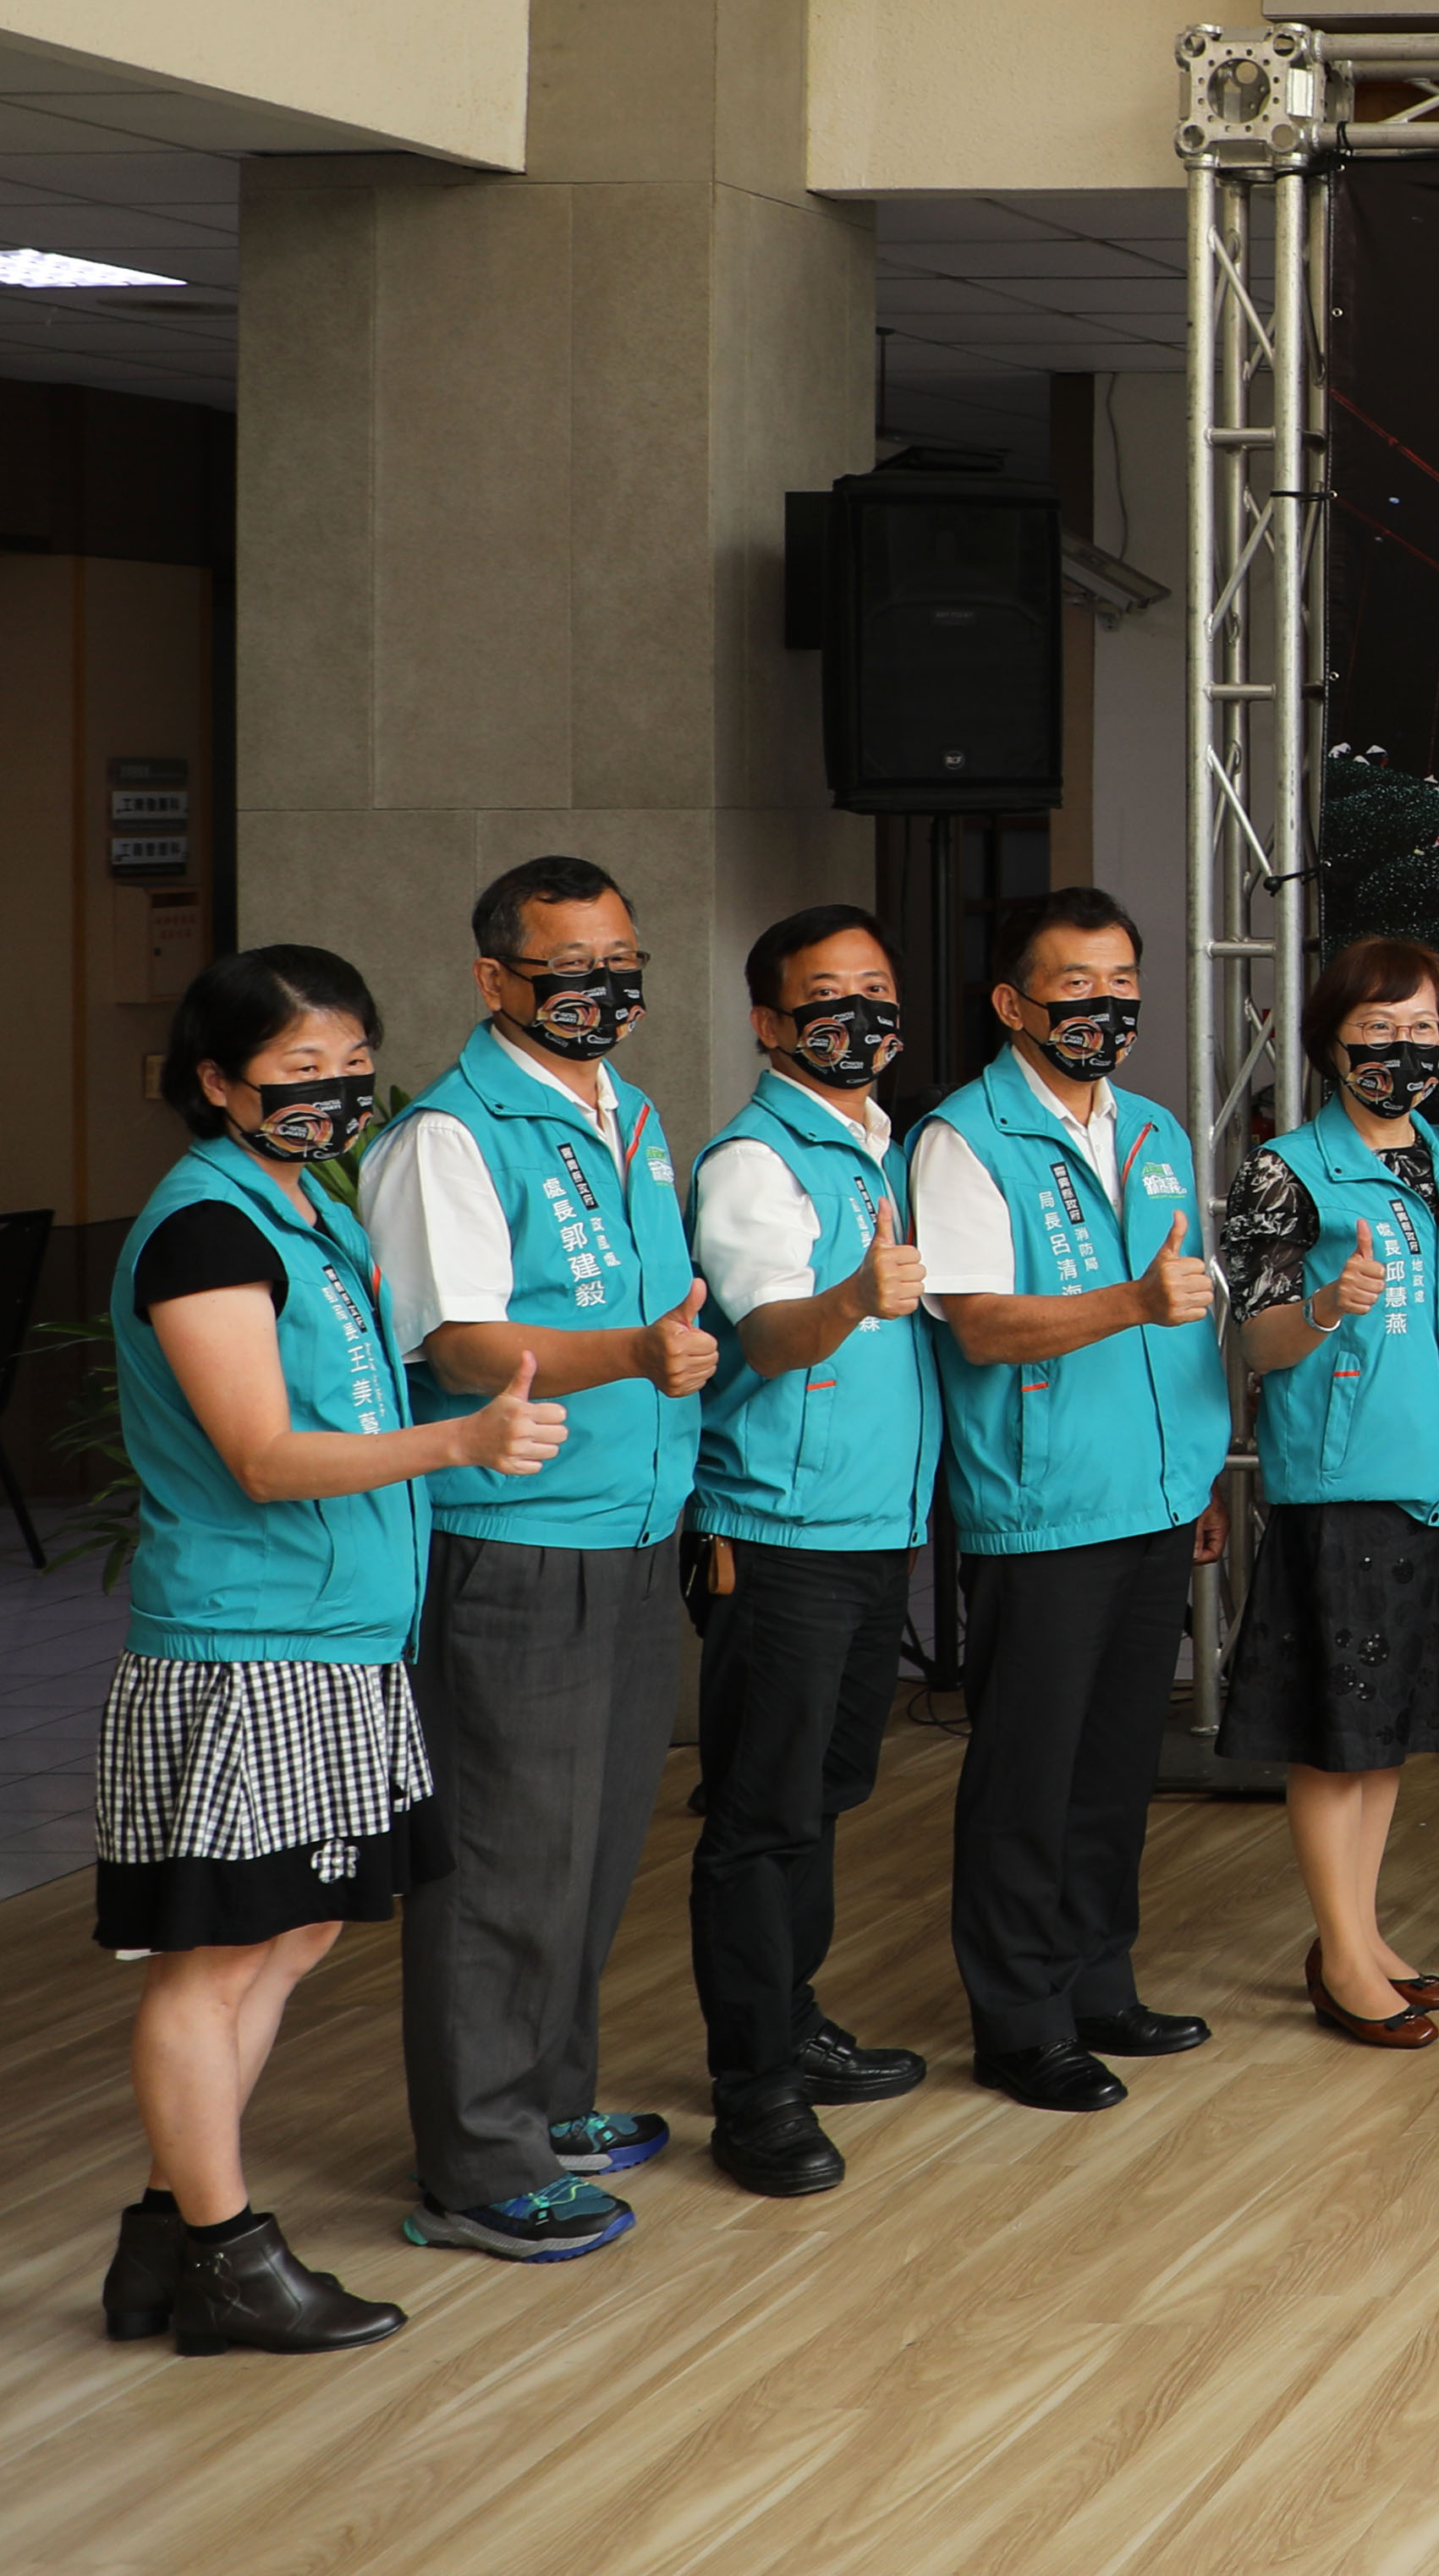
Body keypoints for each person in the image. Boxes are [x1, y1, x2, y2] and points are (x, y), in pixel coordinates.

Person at [95, 950, 564, 2354]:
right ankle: (225, 2256)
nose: (337, 1091)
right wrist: (461, 1440)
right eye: (300, 1069)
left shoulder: (309, 1209)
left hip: (337, 1635)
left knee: (289, 1931)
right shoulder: (205, 1228)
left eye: (354, 1062)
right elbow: (260, 1451)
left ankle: (166, 2238)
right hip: (246, 1643)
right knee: (212, 1958)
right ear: (215, 1080)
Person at [360, 854, 713, 2262]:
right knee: (505, 1859)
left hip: (632, 1523)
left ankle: (551, 2102)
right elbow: (454, 1343)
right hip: (513, 1537)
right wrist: (631, 1353)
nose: (600, 990)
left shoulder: (629, 1112)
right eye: (568, 969)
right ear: (492, 978)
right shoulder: (450, 1134)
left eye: (619, 964)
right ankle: (479, 2160)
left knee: (595, 1842)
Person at [913, 885, 1230, 2113]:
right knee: (1028, 1778)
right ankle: (1020, 2020)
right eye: (1076, 987)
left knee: (1113, 1768)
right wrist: (1134, 1304)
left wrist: (1195, 1476)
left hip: (1152, 1495)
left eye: (1123, 987)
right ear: (1013, 1004)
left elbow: (1184, 1330)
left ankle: (1100, 1984)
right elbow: (982, 1326)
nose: (1106, 1008)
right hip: (1041, 1506)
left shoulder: (1153, 1129)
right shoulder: (964, 1137)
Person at [679, 905, 944, 2197]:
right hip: (774, 1534)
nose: (860, 1017)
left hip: (870, 1528)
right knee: (760, 1816)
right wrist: (853, 1296)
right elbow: (773, 1333)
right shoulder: (754, 1160)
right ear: (769, 1022)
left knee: (823, 1799)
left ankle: (792, 2024)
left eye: (876, 992)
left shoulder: (875, 1141)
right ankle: (754, 2094)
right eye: (828, 997)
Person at [1224, 935, 1439, 2048]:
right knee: (1335, 1731)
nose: (1405, 1050)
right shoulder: (1285, 1169)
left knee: (1384, 1729)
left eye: (1424, 1029)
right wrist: (1328, 1304)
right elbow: (1257, 1342)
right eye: (1378, 1030)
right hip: (1346, 1490)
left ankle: (1364, 1929)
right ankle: (1339, 1954)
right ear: (1329, 1044)